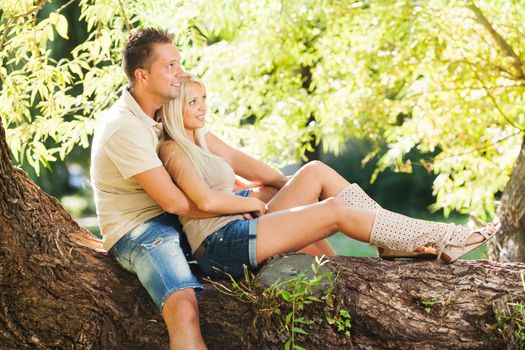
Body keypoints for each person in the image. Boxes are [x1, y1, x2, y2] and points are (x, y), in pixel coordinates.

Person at [90, 27, 333, 349]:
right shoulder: (123, 127)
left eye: (178, 63)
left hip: (181, 215)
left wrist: (277, 185)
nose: (180, 73)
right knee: (184, 307)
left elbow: (217, 161)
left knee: (281, 198)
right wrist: (241, 205)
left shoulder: (164, 117)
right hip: (142, 230)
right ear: (142, 75)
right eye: (170, 67)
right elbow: (176, 202)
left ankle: (336, 276)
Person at [157, 74, 500, 279]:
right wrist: (257, 206)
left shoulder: (203, 137)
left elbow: (250, 165)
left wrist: (287, 187)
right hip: (222, 245)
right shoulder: (173, 149)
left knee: (315, 171)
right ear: (174, 107)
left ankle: (390, 242)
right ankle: (448, 237)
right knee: (334, 210)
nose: (203, 107)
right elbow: (202, 200)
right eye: (193, 102)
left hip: (240, 226)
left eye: (204, 99)